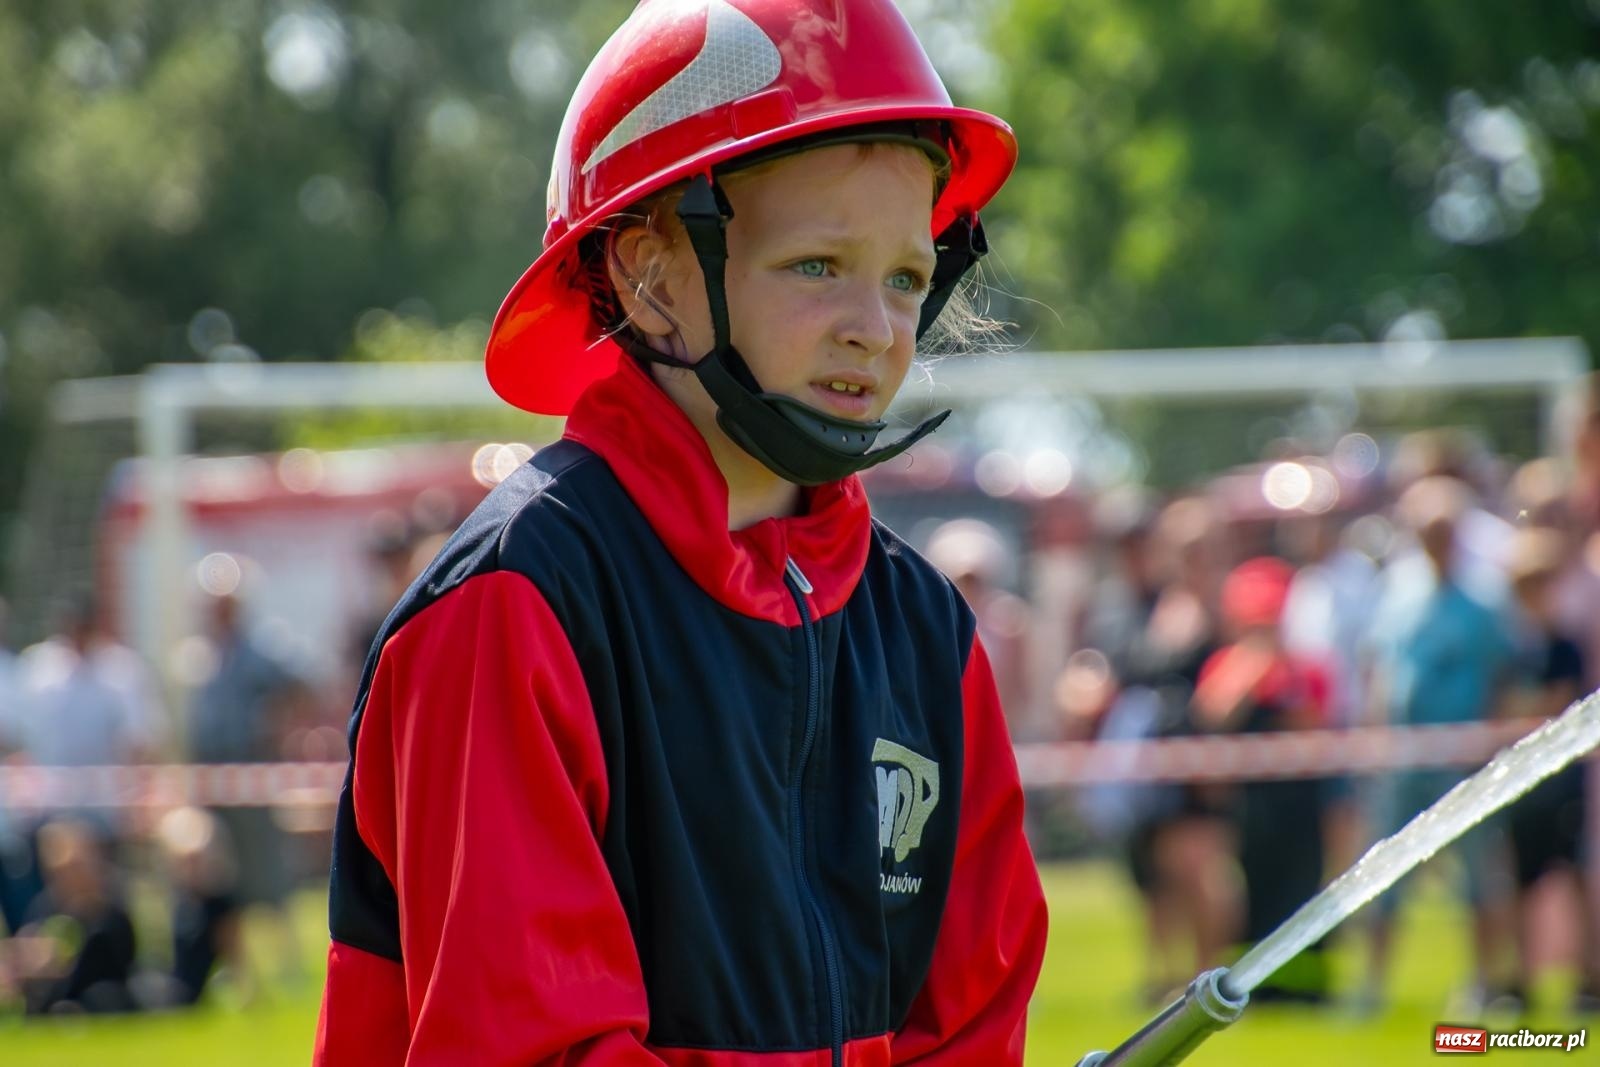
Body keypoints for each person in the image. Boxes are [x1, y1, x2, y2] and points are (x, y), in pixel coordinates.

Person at [314, 2, 1048, 1063]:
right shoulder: (517, 607)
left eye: (904, 277)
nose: (874, 327)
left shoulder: (923, 629)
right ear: (650, 274)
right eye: (816, 266)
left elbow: (974, 1024)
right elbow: (532, 1043)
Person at [1363, 476, 1517, 1014]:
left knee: (1478, 880)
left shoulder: (1486, 599)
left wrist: (1491, 745)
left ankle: (1482, 985)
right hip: (1404, 756)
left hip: (1464, 757)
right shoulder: (1398, 592)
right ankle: (1372, 986)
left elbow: (1503, 676)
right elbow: (1381, 672)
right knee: (1382, 875)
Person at [1499, 528, 1600, 1012]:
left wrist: (1525, 708)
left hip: (1563, 784)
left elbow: (1560, 704)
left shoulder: (1565, 646)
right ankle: (1521, 979)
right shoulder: (1512, 650)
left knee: (1575, 878)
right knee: (1518, 881)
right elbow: (1501, 708)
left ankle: (1588, 976)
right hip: (1520, 785)